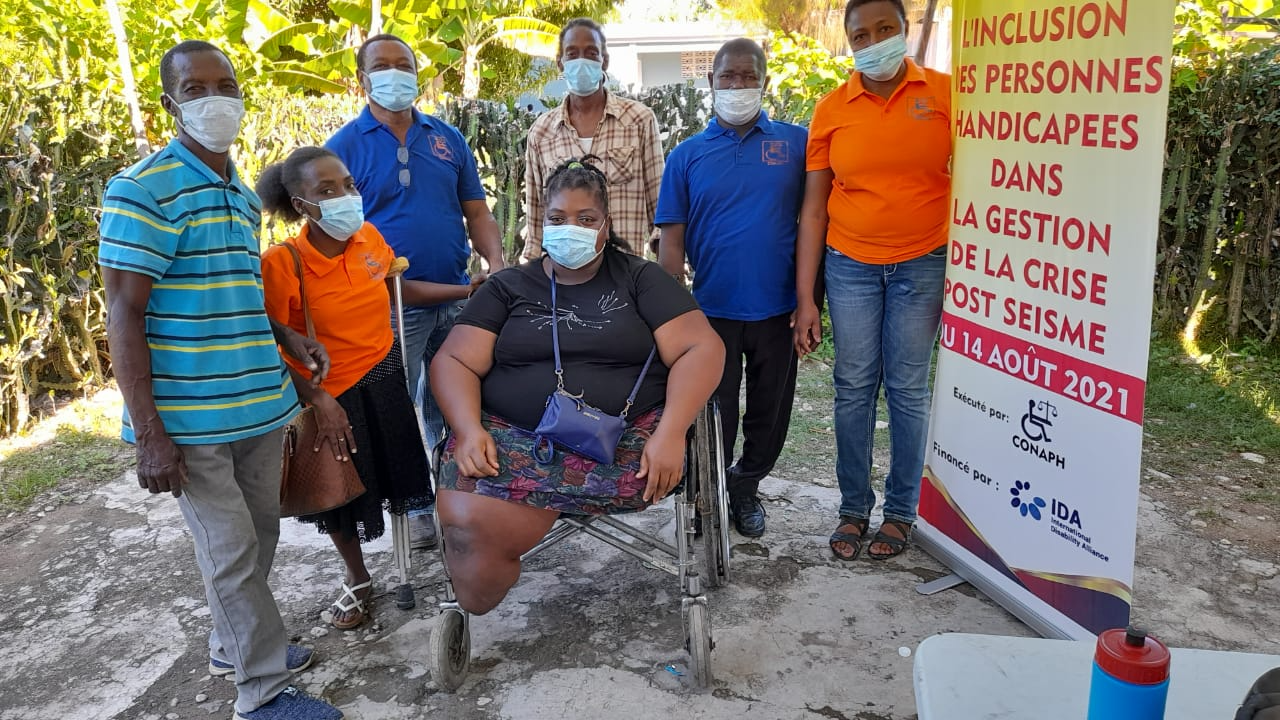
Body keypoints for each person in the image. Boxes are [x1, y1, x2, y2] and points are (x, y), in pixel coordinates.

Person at [98, 41, 342, 720]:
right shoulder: (142, 189)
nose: (215, 98)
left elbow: (233, 290)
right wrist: (150, 433)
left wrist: (283, 335)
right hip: (192, 418)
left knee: (259, 539)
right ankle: (260, 695)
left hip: (257, 408)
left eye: (225, 84)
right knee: (231, 552)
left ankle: (234, 644)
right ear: (169, 104)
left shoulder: (238, 192)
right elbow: (123, 310)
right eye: (196, 87)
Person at [430, 158, 725, 614]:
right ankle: (500, 541)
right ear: (540, 222)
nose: (572, 228)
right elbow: (454, 359)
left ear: (606, 224)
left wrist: (671, 433)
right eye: (558, 219)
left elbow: (701, 349)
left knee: (480, 525)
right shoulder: (508, 287)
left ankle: (523, 514)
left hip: (621, 441)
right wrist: (468, 429)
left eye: (586, 219)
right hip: (513, 438)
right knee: (467, 530)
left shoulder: (641, 279)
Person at [326, 33, 506, 549]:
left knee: (457, 398)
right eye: (381, 65)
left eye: (403, 64)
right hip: (389, 305)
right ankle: (419, 507)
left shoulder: (446, 138)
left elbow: (476, 210)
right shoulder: (343, 148)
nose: (394, 73)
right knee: (399, 406)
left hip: (459, 296)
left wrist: (494, 262)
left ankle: (462, 493)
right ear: (362, 80)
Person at [257, 147, 444, 629]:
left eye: (348, 185)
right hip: (331, 390)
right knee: (343, 493)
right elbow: (269, 341)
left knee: (401, 471)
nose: (344, 197)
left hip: (383, 372)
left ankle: (406, 564)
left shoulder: (368, 237)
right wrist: (314, 398)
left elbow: (389, 288)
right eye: (326, 191)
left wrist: (465, 290)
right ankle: (358, 577)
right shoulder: (284, 263)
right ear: (301, 205)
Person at [792, 0, 951, 561]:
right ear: (850, 43)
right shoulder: (832, 108)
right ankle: (854, 508)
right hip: (850, 265)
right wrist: (805, 298)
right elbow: (812, 211)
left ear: (905, 31)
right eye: (861, 35)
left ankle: (902, 513)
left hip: (924, 261)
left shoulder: (947, 95)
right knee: (853, 386)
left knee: (907, 389)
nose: (874, 42)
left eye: (886, 29)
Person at [656, 38, 805, 539]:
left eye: (748, 76)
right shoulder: (687, 156)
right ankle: (706, 493)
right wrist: (672, 314)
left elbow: (816, 222)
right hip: (710, 315)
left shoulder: (795, 146)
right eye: (728, 77)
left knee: (769, 409)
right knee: (712, 411)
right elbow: (671, 242)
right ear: (710, 82)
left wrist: (810, 301)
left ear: (765, 82)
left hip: (777, 310)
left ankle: (745, 489)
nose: (738, 86)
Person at [523, 18, 665, 259]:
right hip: (563, 277)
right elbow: (537, 219)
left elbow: (659, 207)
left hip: (624, 272)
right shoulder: (541, 132)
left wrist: (664, 278)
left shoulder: (639, 120)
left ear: (604, 61)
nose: (581, 61)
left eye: (591, 53)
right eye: (572, 53)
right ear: (561, 63)